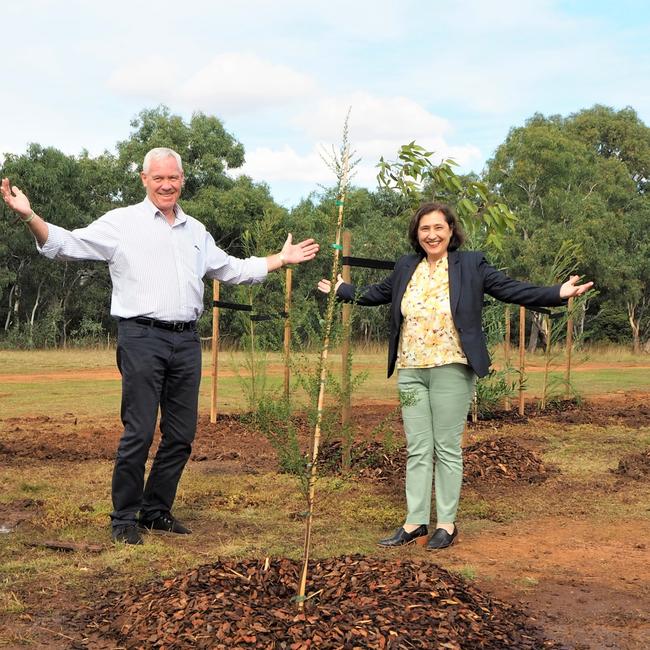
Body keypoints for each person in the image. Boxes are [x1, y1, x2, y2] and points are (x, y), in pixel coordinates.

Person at [2, 147, 319, 545]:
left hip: (186, 340)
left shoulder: (196, 231)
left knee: (181, 435)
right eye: (158, 178)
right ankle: (123, 518)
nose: (167, 184)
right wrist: (30, 216)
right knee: (138, 431)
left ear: (182, 179)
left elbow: (233, 268)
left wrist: (279, 259)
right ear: (144, 179)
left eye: (173, 177)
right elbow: (65, 245)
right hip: (141, 337)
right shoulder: (122, 223)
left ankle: (155, 510)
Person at [318, 201, 592, 550]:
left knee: (446, 447)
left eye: (438, 228)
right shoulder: (407, 266)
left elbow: (510, 289)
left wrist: (557, 293)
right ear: (416, 235)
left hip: (451, 367)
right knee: (417, 446)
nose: (431, 235)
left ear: (451, 231)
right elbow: (377, 294)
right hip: (410, 371)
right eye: (424, 229)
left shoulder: (471, 265)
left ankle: (446, 523)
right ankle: (415, 522)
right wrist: (342, 290)